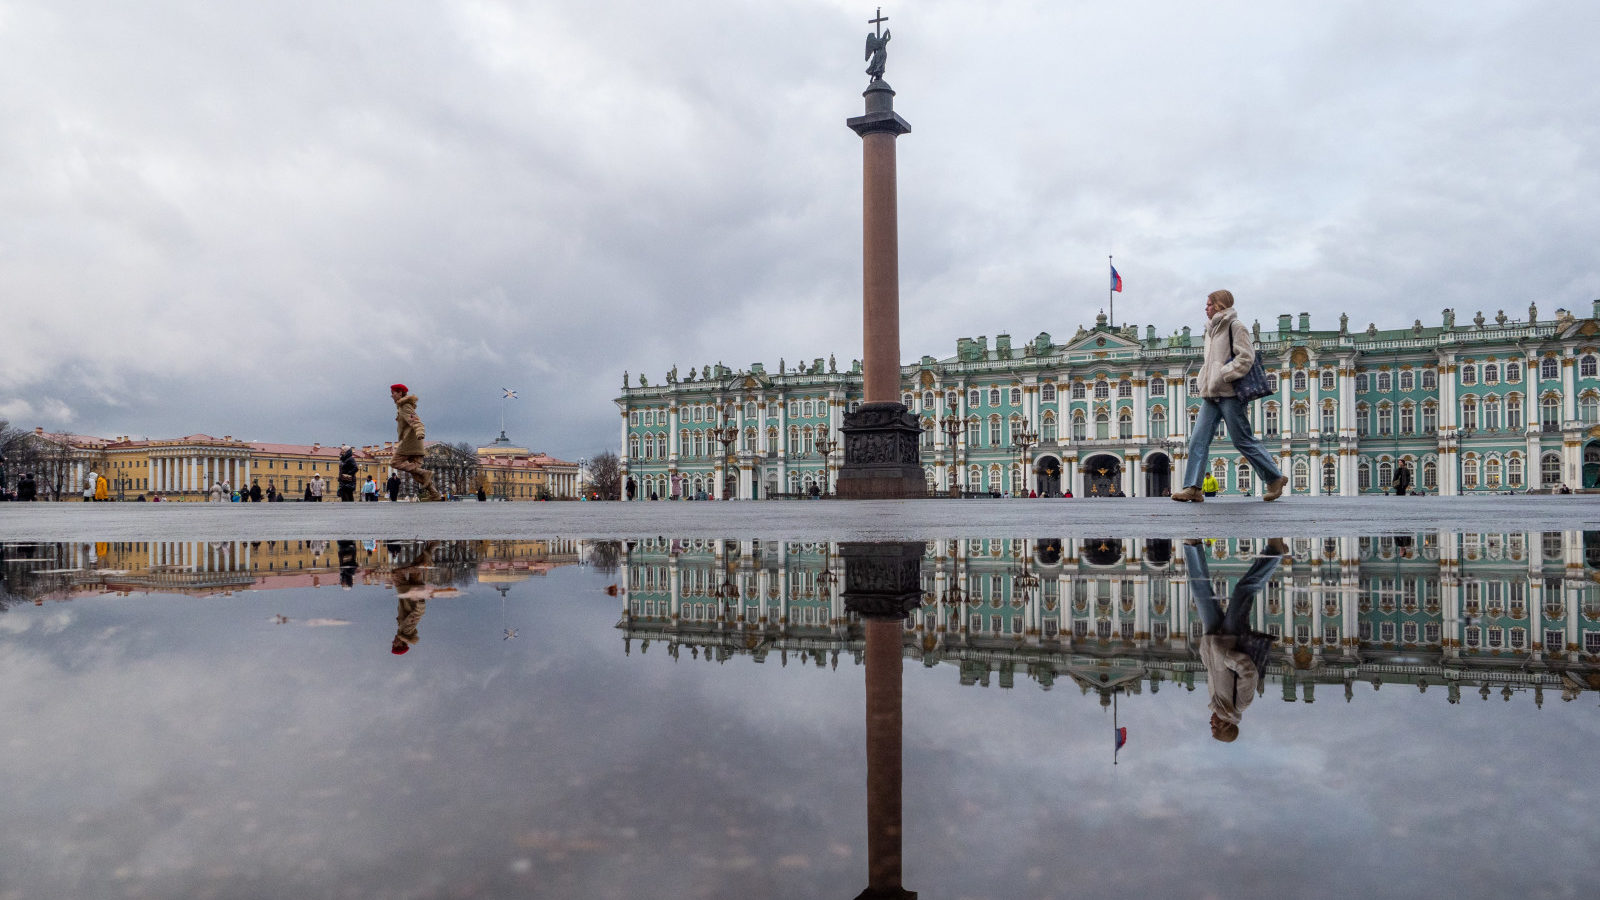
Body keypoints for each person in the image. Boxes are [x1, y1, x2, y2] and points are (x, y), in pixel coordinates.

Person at [1172, 290, 1288, 503]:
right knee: (1197, 439)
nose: (1205, 308)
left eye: (1208, 304)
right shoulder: (1211, 330)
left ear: (1219, 306)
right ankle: (1193, 488)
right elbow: (1210, 362)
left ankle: (1274, 477)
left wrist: (1223, 374)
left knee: (1242, 440)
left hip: (1230, 393)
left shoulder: (1236, 327)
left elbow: (1246, 357)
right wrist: (1206, 379)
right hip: (1211, 393)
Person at [1185, 537, 1286, 742]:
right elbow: (1249, 673)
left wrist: (1209, 657)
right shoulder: (1240, 705)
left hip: (1213, 639)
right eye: (1214, 728)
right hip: (1232, 638)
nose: (1210, 724)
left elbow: (1215, 672)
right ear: (1225, 726)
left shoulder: (1216, 702)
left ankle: (1192, 546)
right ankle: (1274, 552)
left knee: (1200, 593)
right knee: (1242, 591)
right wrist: (1226, 657)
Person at [389, 384, 442, 501]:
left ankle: (425, 472)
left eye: (393, 392)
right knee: (415, 473)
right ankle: (435, 494)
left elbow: (416, 421)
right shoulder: (401, 407)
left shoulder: (405, 406)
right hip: (415, 444)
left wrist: (420, 433)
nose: (391, 395)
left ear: (400, 393)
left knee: (394, 462)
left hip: (410, 443)